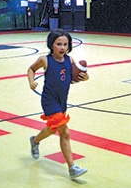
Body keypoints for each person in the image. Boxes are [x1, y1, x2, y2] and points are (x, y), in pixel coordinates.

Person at [27, 29, 89, 179]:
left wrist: (83, 78)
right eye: (58, 44)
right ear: (51, 45)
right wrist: (31, 82)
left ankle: (35, 140)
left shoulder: (70, 60)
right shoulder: (45, 60)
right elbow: (31, 69)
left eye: (65, 44)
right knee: (65, 132)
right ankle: (72, 168)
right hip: (49, 100)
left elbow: (70, 80)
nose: (62, 47)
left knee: (52, 129)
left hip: (62, 101)